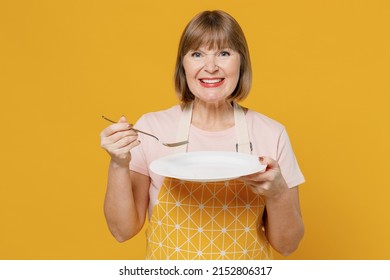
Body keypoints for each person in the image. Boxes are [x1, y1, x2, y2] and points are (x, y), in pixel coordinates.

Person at [100, 10, 305, 260]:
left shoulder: (271, 134)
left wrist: (278, 192)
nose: (210, 67)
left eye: (224, 53)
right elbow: (122, 231)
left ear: (241, 62)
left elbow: (287, 245)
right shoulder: (153, 128)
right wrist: (119, 163)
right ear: (183, 65)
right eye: (197, 54)